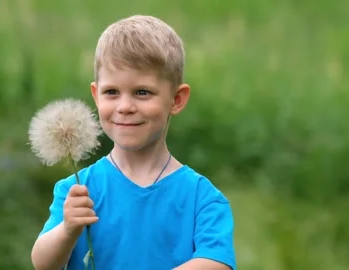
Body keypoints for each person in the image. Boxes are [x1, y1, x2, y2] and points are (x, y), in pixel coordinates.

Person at [31, 15, 236, 270]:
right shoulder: (78, 190)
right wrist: (67, 230)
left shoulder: (201, 198)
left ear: (177, 99)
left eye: (142, 92)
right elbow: (43, 264)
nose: (125, 107)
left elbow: (217, 263)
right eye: (112, 92)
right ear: (96, 95)